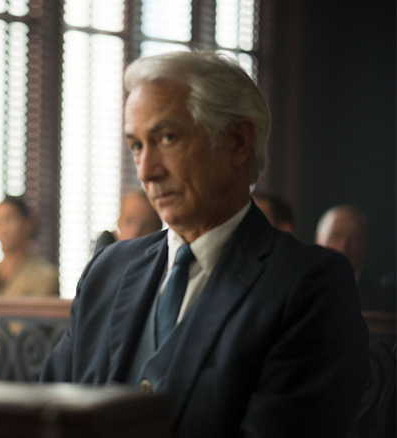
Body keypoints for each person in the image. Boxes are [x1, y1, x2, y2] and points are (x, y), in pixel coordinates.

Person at [40, 51, 370, 437]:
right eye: (136, 146)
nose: (147, 171)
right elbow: (47, 412)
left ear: (237, 141)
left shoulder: (312, 286)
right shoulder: (107, 271)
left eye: (167, 138)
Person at [316, 204, 396, 311]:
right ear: (318, 240)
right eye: (335, 236)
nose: (343, 247)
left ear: (366, 243)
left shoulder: (386, 299)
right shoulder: (300, 291)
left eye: (353, 238)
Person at [95, 188, 163, 252]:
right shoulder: (106, 253)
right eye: (128, 222)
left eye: (146, 225)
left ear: (158, 229)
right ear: (119, 222)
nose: (135, 233)